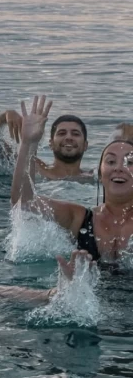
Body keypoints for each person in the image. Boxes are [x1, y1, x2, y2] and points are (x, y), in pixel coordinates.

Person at [11, 95, 133, 261]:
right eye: (111, 161)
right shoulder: (79, 218)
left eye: (129, 162)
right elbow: (23, 203)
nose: (119, 167)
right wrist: (28, 143)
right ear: (100, 174)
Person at [0, 109, 92, 181]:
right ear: (51, 144)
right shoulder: (33, 167)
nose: (68, 137)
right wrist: (4, 116)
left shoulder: (95, 177)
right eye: (62, 133)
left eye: (75, 134)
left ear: (86, 145)